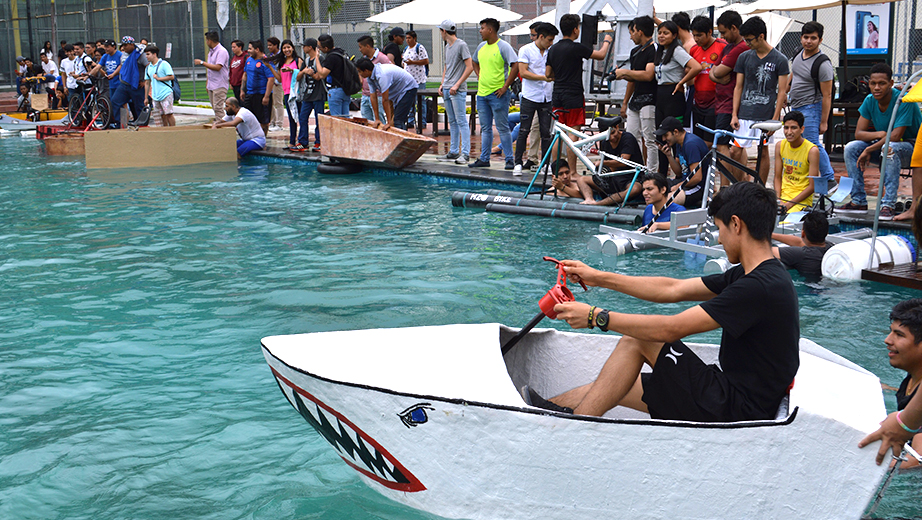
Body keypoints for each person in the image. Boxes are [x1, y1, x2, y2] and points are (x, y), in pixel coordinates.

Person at [526, 181, 799, 424]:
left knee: (637, 339)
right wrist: (598, 277)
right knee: (611, 387)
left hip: (738, 409)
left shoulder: (758, 287)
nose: (721, 239)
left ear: (736, 225)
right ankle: (544, 415)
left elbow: (671, 329)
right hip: (731, 394)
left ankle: (573, 431)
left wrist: (596, 316)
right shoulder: (756, 273)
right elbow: (672, 288)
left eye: (719, 229)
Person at [838, 63, 921, 220]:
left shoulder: (904, 100)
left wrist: (869, 149)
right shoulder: (869, 100)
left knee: (890, 148)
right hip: (885, 144)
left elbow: (896, 136)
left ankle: (888, 204)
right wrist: (880, 134)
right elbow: (859, 133)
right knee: (851, 148)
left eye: (882, 83)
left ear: (890, 83)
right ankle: (858, 201)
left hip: (912, 148)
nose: (876, 87)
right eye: (873, 83)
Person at [546, 13, 613, 174]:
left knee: (559, 135)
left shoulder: (553, 48)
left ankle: (557, 171)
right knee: (573, 134)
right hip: (573, 95)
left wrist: (560, 75)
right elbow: (601, 55)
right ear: (576, 29)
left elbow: (548, 74)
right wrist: (607, 41)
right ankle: (573, 172)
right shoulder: (576, 48)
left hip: (558, 95)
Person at [731, 16, 791, 184]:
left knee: (763, 151)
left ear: (761, 36)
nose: (747, 43)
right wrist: (734, 114)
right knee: (735, 151)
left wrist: (775, 117)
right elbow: (738, 87)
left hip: (765, 115)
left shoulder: (780, 59)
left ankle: (760, 189)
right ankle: (739, 185)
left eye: (750, 40)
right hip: (744, 113)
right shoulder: (744, 57)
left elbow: (781, 92)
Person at [781, 22, 836, 193]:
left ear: (820, 40)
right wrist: (785, 92)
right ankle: (809, 179)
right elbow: (794, 73)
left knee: (812, 145)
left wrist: (824, 122)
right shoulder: (798, 53)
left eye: (813, 38)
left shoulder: (823, 64)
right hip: (796, 107)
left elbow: (827, 95)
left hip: (812, 107)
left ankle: (829, 179)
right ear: (801, 37)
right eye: (806, 37)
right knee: (802, 143)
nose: (809, 41)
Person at [469, 17, 519, 170]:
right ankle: (484, 158)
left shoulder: (503, 46)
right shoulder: (481, 46)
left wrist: (505, 87)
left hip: (499, 94)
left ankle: (509, 159)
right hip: (482, 94)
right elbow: (474, 61)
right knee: (485, 128)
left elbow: (515, 65)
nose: (480, 31)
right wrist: (479, 75)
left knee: (502, 127)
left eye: (482, 28)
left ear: (490, 30)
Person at [653, 20, 701, 176]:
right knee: (660, 136)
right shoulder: (660, 52)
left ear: (674, 35)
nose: (661, 36)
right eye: (660, 32)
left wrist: (682, 82)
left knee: (673, 136)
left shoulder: (677, 51)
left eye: (666, 33)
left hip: (673, 95)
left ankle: (681, 173)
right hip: (660, 94)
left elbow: (696, 66)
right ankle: (662, 174)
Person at [709, 10, 749, 184]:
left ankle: (727, 186)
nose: (722, 36)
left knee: (724, 145)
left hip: (730, 104)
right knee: (736, 147)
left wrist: (715, 73)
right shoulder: (728, 47)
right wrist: (714, 74)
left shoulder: (740, 48)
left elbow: (717, 71)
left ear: (734, 28)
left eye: (724, 32)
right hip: (723, 103)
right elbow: (714, 70)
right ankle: (736, 184)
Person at [614, 16, 658, 172]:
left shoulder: (654, 49)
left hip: (650, 99)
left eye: (632, 32)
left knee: (650, 138)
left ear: (639, 31)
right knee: (631, 137)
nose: (631, 36)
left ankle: (652, 172)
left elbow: (648, 75)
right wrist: (625, 102)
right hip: (635, 100)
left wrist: (626, 72)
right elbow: (631, 79)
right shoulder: (635, 51)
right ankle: (634, 169)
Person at [512, 22, 556, 176]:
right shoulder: (526, 50)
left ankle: (545, 164)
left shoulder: (551, 51)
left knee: (546, 132)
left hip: (546, 97)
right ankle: (517, 163)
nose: (551, 43)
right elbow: (523, 73)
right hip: (530, 96)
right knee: (524, 129)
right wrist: (544, 77)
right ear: (541, 37)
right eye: (549, 40)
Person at [576, 122, 645, 206]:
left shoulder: (628, 138)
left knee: (635, 189)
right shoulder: (605, 142)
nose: (612, 137)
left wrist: (602, 163)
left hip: (631, 177)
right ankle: (589, 199)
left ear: (617, 127)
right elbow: (610, 168)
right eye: (609, 136)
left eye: (613, 132)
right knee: (581, 179)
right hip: (614, 177)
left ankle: (599, 204)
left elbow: (624, 161)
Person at [437, 19, 474, 165]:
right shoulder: (447, 47)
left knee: (461, 121)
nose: (440, 33)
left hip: (456, 90)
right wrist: (442, 84)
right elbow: (447, 66)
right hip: (447, 88)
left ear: (444, 31)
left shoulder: (462, 45)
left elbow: (469, 66)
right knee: (452, 121)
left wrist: (457, 85)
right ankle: (453, 151)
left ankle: (465, 153)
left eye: (440, 30)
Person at [656, 116, 711, 208]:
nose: (663, 139)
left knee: (663, 202)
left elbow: (697, 177)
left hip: (698, 187)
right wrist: (669, 155)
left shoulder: (690, 144)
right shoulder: (679, 143)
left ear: (676, 132)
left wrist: (679, 186)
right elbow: (679, 172)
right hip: (685, 182)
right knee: (654, 189)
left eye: (666, 135)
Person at [689, 16, 726, 147]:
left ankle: (711, 166)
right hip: (698, 101)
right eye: (694, 35)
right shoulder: (694, 49)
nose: (696, 39)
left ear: (710, 32)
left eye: (699, 35)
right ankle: (701, 167)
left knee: (709, 142)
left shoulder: (722, 47)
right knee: (698, 140)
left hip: (715, 101)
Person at [774, 111, 819, 213]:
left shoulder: (812, 151)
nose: (789, 132)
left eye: (794, 128)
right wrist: (778, 200)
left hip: (801, 200)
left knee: (784, 224)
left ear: (802, 129)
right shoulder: (779, 146)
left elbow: (812, 186)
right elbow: (777, 177)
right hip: (783, 198)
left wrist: (789, 204)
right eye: (786, 128)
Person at [356, 58, 418, 131]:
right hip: (397, 91)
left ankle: (403, 139)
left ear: (366, 70)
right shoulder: (370, 77)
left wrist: (388, 122)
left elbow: (385, 99)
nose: (359, 74)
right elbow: (373, 96)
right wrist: (377, 119)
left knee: (397, 120)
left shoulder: (382, 75)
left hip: (408, 88)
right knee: (395, 119)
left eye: (359, 71)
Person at [770, 211, 830, 280]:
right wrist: (770, 235)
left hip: (810, 290)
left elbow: (766, 251)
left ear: (803, 233)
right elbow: (799, 242)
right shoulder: (830, 247)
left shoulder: (802, 254)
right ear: (827, 233)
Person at [109, 36, 150, 128]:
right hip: (124, 84)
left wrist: (144, 81)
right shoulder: (124, 54)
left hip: (136, 85)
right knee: (116, 101)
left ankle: (142, 125)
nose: (124, 47)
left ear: (132, 44)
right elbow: (122, 65)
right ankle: (121, 124)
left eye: (126, 45)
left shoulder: (140, 55)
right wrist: (114, 74)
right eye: (123, 45)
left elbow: (149, 67)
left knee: (139, 106)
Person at [295, 38, 327, 153]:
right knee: (302, 117)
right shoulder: (306, 61)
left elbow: (320, 76)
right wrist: (303, 71)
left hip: (318, 95)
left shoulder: (320, 59)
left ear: (310, 47)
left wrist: (312, 74)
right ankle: (303, 142)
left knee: (319, 119)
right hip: (307, 95)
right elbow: (298, 77)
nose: (303, 48)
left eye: (304, 46)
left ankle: (319, 141)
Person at [240, 40, 276, 135]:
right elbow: (245, 74)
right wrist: (242, 90)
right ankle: (252, 137)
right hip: (250, 94)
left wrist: (266, 96)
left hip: (261, 94)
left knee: (263, 120)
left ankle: (263, 139)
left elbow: (270, 79)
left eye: (250, 49)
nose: (248, 51)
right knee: (248, 118)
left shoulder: (266, 61)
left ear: (257, 49)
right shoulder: (249, 60)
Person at [272, 40, 302, 148]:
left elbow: (302, 74)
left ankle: (302, 141)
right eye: (284, 48)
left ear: (293, 48)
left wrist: (292, 71)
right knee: (291, 118)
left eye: (288, 47)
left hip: (297, 92)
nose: (287, 50)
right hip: (287, 92)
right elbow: (279, 79)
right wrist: (270, 67)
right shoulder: (282, 63)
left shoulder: (298, 60)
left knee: (301, 117)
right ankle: (292, 141)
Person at [195, 31, 230, 121]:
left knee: (218, 108)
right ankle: (220, 125)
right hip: (212, 84)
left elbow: (218, 67)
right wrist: (208, 83)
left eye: (207, 40)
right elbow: (210, 70)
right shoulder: (211, 52)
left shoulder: (221, 51)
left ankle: (223, 127)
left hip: (219, 84)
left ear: (210, 40)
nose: (206, 43)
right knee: (215, 108)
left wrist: (202, 62)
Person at [357, 35, 391, 124]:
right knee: (367, 121)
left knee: (379, 120)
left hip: (379, 95)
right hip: (365, 94)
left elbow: (389, 72)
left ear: (367, 46)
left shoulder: (382, 58)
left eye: (361, 47)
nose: (359, 50)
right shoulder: (364, 59)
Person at [317, 34, 352, 117]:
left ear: (326, 48)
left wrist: (316, 58)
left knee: (337, 119)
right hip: (346, 89)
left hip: (335, 90)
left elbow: (322, 74)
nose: (318, 49)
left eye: (319, 47)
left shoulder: (331, 57)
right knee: (345, 118)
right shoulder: (342, 52)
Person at [402, 30, 429, 130]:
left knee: (420, 101)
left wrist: (413, 62)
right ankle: (410, 120)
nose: (408, 40)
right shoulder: (406, 49)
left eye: (410, 38)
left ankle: (422, 121)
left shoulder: (419, 48)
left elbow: (426, 61)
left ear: (414, 38)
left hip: (419, 79)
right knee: (410, 100)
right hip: (408, 80)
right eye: (407, 38)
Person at [144, 45, 175, 127]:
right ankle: (164, 130)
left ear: (154, 54)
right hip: (155, 95)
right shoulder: (148, 68)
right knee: (161, 115)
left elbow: (171, 76)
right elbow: (147, 82)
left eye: (148, 54)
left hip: (166, 93)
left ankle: (173, 130)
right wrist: (146, 97)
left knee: (168, 113)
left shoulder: (164, 64)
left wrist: (159, 78)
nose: (146, 56)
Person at [89, 39, 122, 106]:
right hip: (111, 84)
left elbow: (121, 66)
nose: (106, 49)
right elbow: (98, 67)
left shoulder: (120, 55)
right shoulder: (105, 56)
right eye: (105, 47)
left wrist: (113, 74)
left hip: (119, 83)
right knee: (112, 103)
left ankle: (124, 116)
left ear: (113, 47)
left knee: (120, 103)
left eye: (108, 47)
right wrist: (89, 75)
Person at [266, 37, 285, 132]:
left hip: (278, 82)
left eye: (270, 45)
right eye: (268, 45)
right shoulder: (272, 55)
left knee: (278, 103)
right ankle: (273, 122)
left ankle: (279, 124)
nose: (268, 47)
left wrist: (277, 82)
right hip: (272, 82)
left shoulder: (281, 56)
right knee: (272, 103)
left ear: (275, 45)